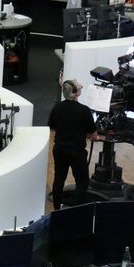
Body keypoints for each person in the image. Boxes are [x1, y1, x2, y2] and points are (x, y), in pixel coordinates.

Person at [48, 79, 100, 210]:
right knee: (82, 182)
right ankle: (76, 210)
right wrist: (93, 136)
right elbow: (93, 134)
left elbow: (52, 126)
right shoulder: (84, 110)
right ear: (76, 93)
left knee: (59, 178)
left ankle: (56, 207)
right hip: (76, 151)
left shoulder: (57, 107)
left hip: (59, 149)